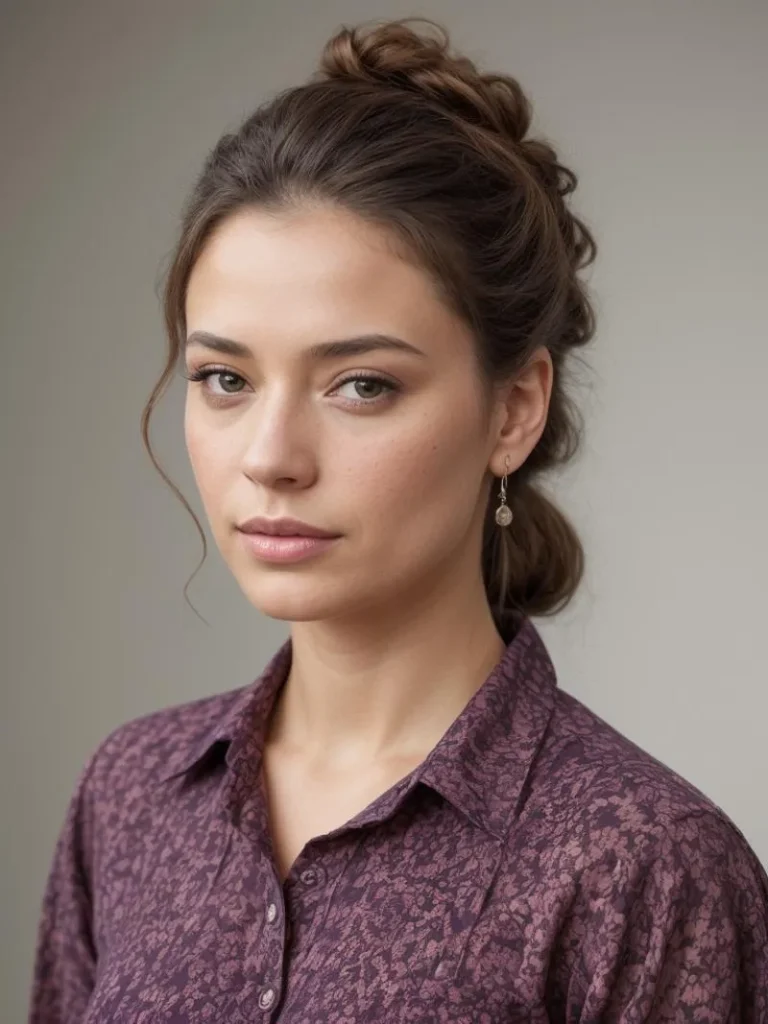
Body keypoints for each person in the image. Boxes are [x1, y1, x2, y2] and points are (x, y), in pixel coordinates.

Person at [28, 16, 768, 1024]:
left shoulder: (641, 863)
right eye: (224, 378)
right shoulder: (131, 795)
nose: (271, 456)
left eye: (362, 383)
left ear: (514, 409)